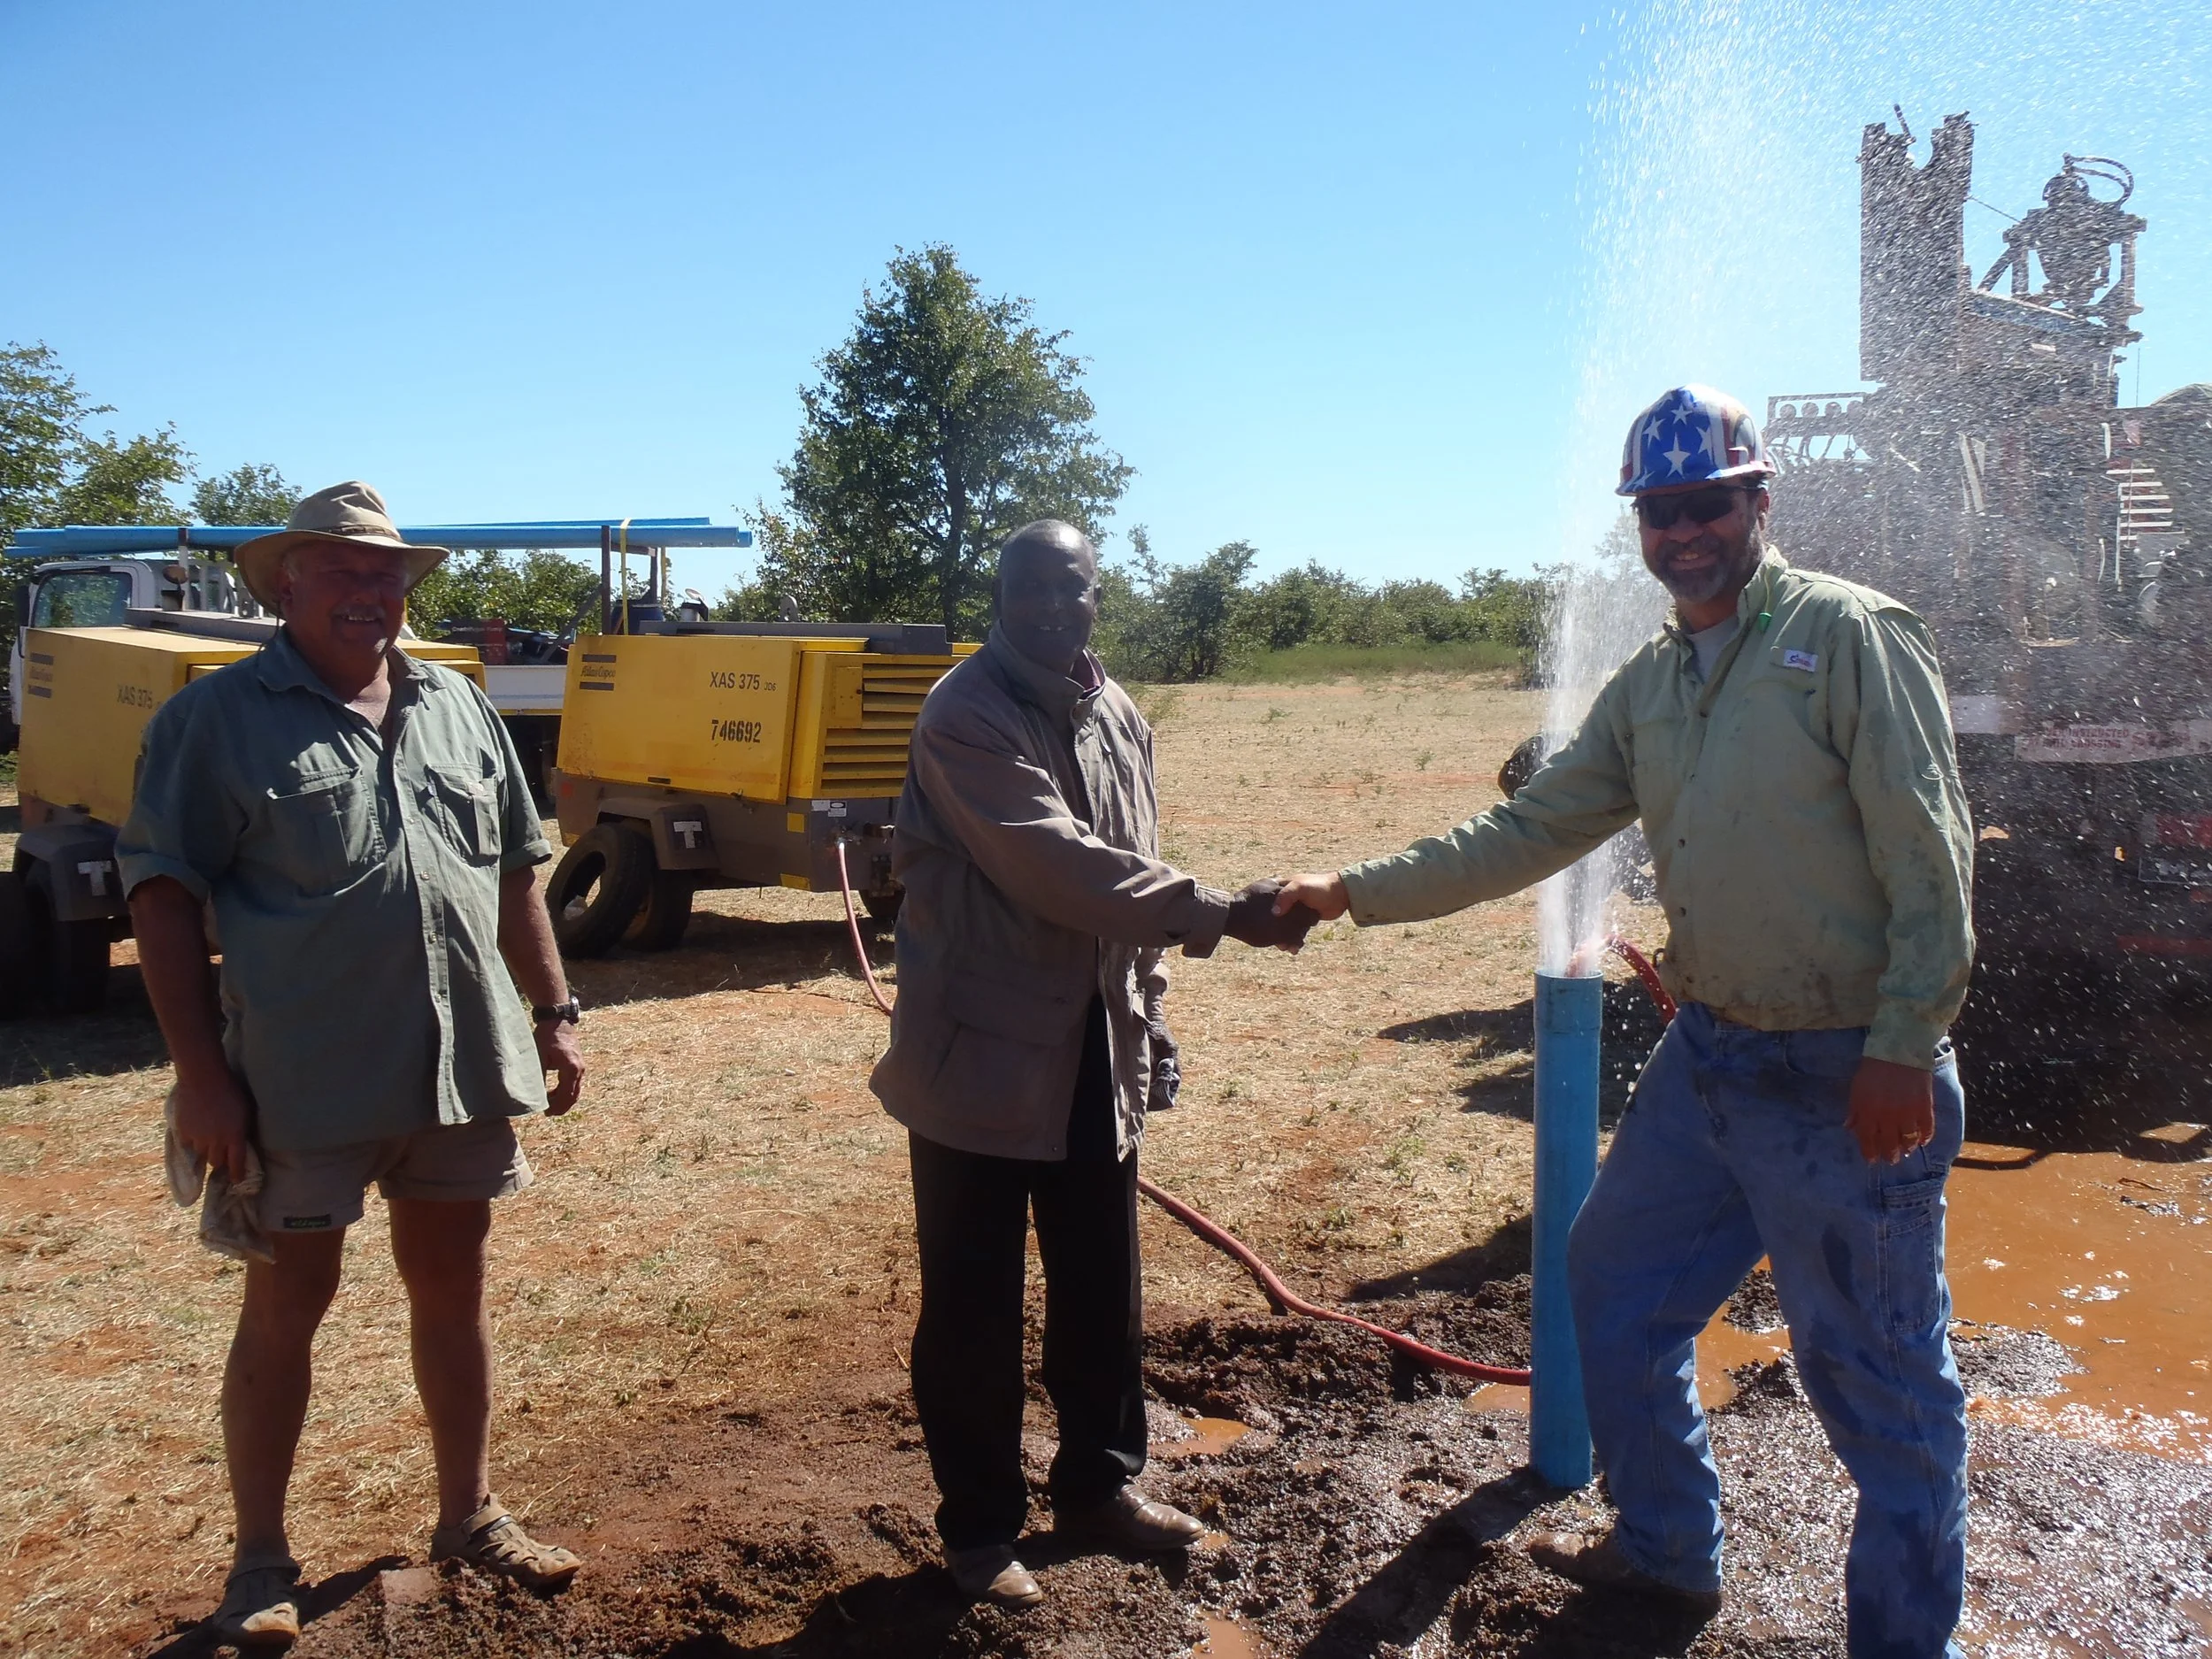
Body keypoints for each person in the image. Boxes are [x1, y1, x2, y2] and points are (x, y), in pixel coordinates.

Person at [1273, 387, 1976, 1658]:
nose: (1683, 532)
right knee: (1612, 1287)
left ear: (1759, 501)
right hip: (1712, 1057)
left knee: (1881, 1390)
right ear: (1640, 529)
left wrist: (1902, 1045)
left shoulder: (1852, 636)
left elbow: (1933, 856)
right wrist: (1353, 890)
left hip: (1845, 1072)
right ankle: (1665, 1550)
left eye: (1707, 502)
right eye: (1659, 513)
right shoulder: (1650, 683)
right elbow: (1529, 829)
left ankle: (1906, 1641)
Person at [117, 482, 588, 1647]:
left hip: (459, 1064)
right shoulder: (215, 721)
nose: (371, 592)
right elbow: (164, 897)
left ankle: (470, 1513)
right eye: (342, 571)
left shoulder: (459, 706)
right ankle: (260, 1564)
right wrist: (200, 1075)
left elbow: (520, 869)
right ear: (287, 584)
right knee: (289, 1303)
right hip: (301, 1078)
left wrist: (556, 1009)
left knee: (455, 1280)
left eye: (386, 573)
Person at [871, 518, 1316, 1608]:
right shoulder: (964, 713)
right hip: (977, 1060)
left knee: (1100, 1289)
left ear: (1095, 596)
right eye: (1027, 590)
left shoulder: (1118, 716)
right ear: (1000, 597)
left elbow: (1133, 869)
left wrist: (1150, 1016)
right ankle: (980, 1532)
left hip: (1090, 1048)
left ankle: (1100, 1491)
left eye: (1068, 590)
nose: (1048, 609)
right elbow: (1059, 868)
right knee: (973, 1306)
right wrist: (1221, 914)